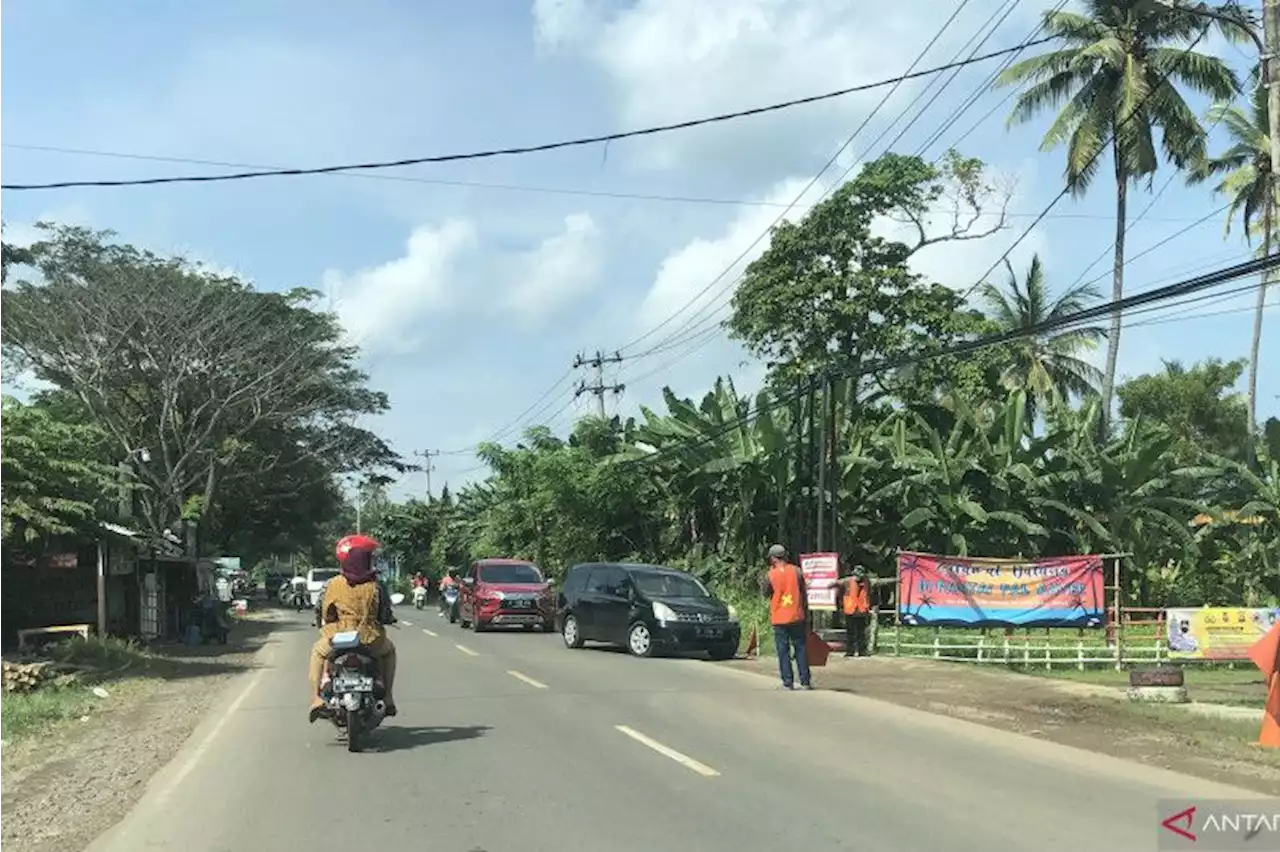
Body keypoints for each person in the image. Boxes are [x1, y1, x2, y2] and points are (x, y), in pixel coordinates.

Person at [308, 542, 398, 722]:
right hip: (369, 637)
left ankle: (316, 699)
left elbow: (325, 611)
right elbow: (385, 613)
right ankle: (388, 697)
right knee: (389, 652)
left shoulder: (333, 584)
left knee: (318, 652)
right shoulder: (376, 585)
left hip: (338, 636)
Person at [758, 543, 811, 690]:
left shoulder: (770, 575)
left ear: (773, 558)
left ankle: (788, 682)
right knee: (801, 648)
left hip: (779, 617)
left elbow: (765, 594)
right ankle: (805, 681)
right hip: (797, 615)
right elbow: (803, 593)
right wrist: (806, 613)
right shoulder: (797, 571)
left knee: (783, 651)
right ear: (785, 556)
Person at [832, 565, 871, 657]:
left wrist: (895, 580)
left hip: (861, 611)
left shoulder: (868, 581)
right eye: (856, 575)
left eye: (860, 575)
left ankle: (862, 651)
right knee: (850, 633)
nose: (858, 577)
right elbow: (835, 583)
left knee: (861, 633)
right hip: (850, 611)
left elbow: (881, 582)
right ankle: (850, 651)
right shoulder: (847, 581)